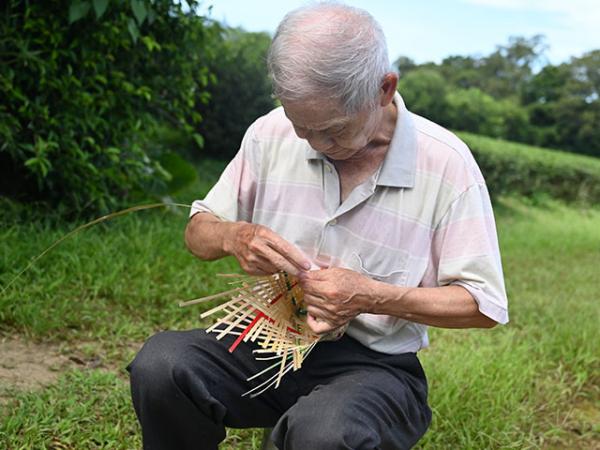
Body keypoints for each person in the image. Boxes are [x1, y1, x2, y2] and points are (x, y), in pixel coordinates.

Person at [128, 3, 508, 449]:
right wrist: (236, 236)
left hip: (374, 367)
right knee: (162, 365)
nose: (315, 144)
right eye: (301, 126)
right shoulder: (272, 133)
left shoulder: (446, 164)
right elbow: (198, 232)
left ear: (384, 89)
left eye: (333, 130)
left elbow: (482, 305)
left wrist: (372, 296)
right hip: (268, 342)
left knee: (324, 433)